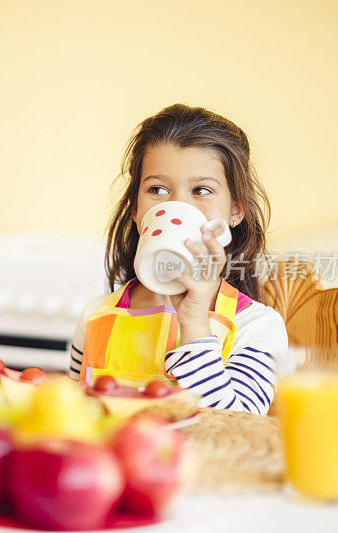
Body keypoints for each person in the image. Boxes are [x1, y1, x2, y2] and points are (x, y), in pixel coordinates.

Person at [68, 104, 288, 415]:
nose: (177, 206)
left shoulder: (258, 327)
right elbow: (69, 415)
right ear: (135, 209)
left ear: (236, 211)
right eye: (157, 189)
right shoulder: (95, 316)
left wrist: (195, 321)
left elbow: (238, 428)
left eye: (201, 190)